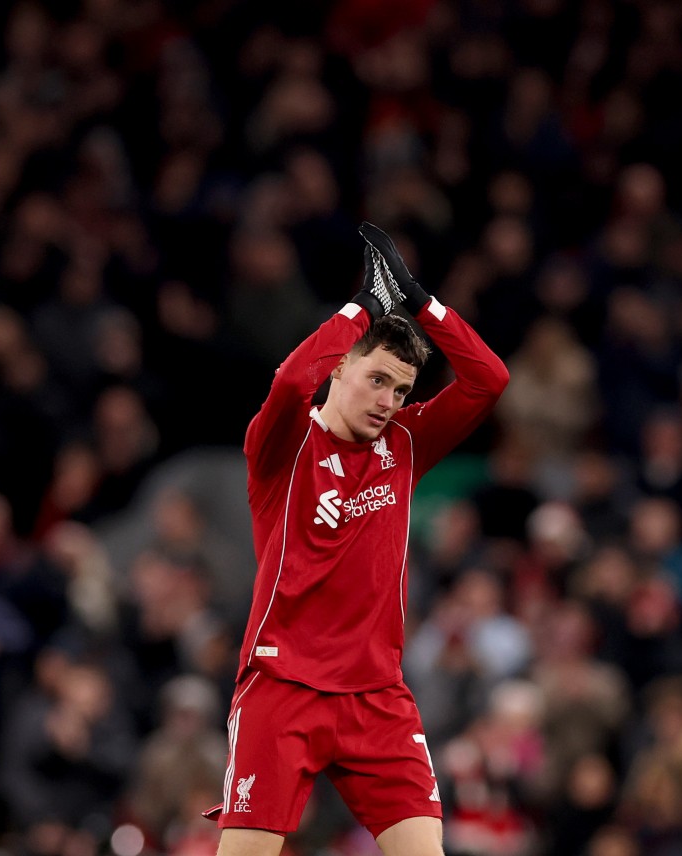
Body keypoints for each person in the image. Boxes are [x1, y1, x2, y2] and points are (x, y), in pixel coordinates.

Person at [203, 223, 509, 856]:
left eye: (401, 390)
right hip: (283, 689)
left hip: (377, 695)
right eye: (376, 379)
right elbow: (290, 384)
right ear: (338, 366)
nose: (389, 401)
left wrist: (419, 301)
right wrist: (363, 307)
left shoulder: (404, 444)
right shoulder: (283, 448)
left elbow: (489, 379)